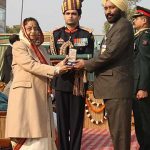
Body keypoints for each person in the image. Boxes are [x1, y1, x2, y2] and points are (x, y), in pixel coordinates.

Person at [74, 0, 134, 150]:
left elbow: (110, 54)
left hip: (117, 88)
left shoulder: (124, 25)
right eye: (106, 8)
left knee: (120, 134)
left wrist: (86, 64)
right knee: (116, 132)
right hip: (113, 87)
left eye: (112, 7)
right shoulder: (116, 26)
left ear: (120, 8)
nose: (108, 11)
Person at [5, 17, 71, 150]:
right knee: (28, 133)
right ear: (23, 30)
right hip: (26, 98)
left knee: (42, 134)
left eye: (35, 28)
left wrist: (60, 65)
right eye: (29, 28)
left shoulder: (42, 50)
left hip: (40, 98)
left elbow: (44, 68)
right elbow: (31, 65)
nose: (33, 31)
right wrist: (56, 69)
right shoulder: (19, 46)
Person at [49, 0, 94, 149]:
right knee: (62, 122)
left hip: (78, 84)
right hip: (61, 82)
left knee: (76, 122)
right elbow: (52, 57)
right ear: (63, 15)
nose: (70, 16)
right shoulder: (56, 34)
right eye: (67, 13)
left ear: (79, 16)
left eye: (74, 13)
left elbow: (90, 58)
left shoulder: (87, 34)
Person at [132, 6, 150, 150]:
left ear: (144, 20)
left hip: (141, 88)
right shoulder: (139, 36)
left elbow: (145, 62)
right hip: (136, 85)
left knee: (144, 122)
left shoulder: (145, 37)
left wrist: (143, 87)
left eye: (136, 18)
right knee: (140, 121)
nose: (134, 20)